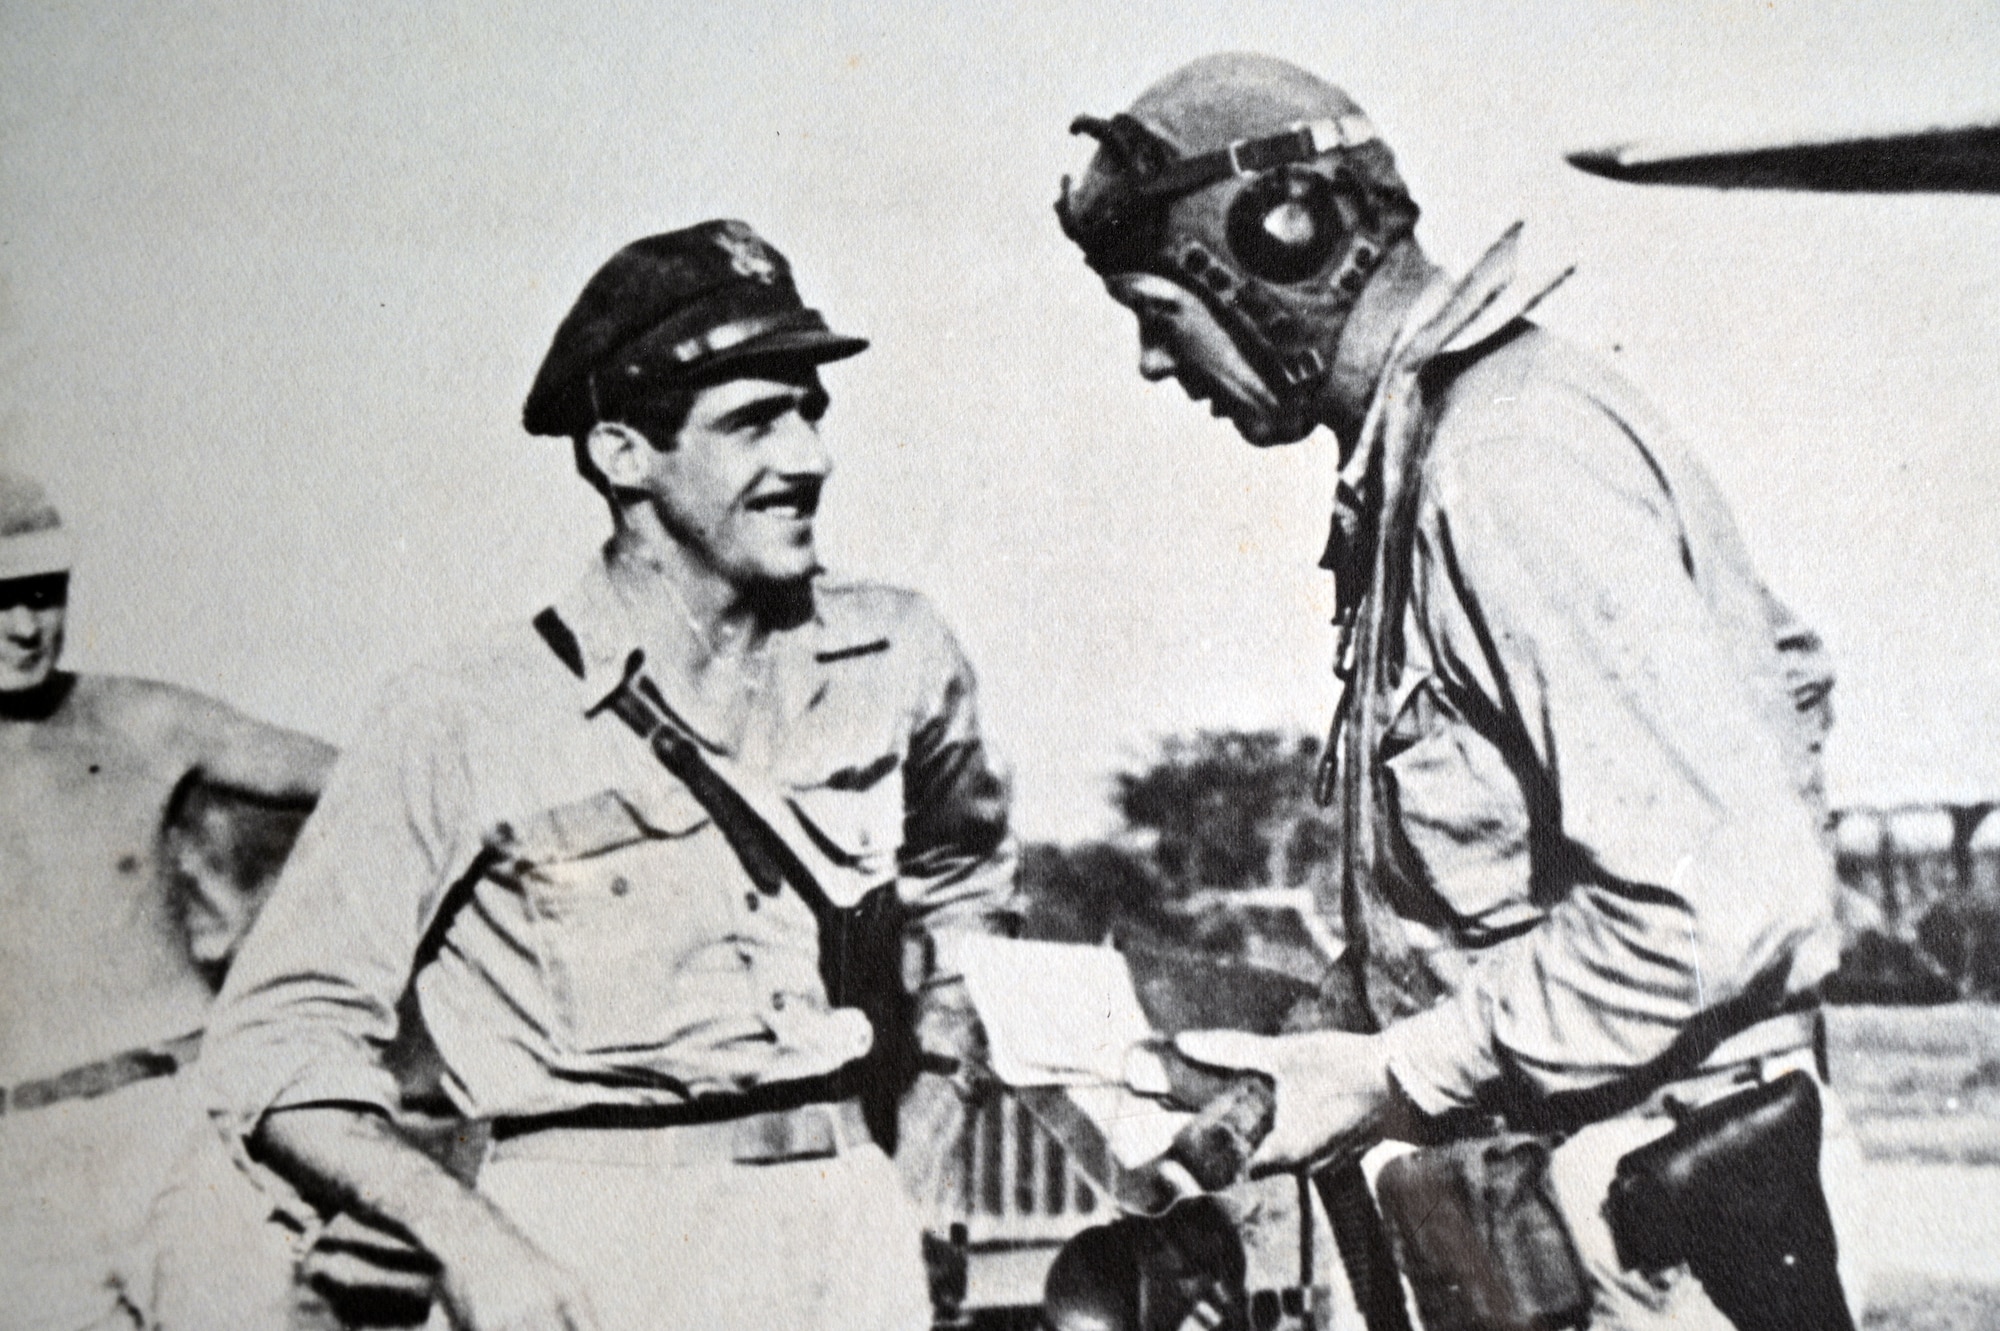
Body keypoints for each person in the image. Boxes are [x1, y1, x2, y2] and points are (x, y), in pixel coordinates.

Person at [1055, 54, 1862, 1329]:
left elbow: (1726, 901)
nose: (1157, 365)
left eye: (1157, 312)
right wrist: (1325, 1032)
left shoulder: (1505, 461)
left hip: (1645, 1223)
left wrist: (1391, 1067)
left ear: (1265, 255)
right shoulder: (1437, 455)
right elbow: (1783, 692)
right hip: (1560, 1206)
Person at [198, 219, 1018, 1331]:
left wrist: (921, 1156)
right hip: (594, 1251)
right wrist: (467, 1238)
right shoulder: (464, 713)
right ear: (623, 453)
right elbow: (278, 1037)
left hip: (852, 1228)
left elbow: (965, 894)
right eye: (753, 423)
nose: (809, 460)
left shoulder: (897, 657)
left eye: (810, 414)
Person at [0, 470, 335, 1331]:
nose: (27, 626)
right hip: (20, 1168)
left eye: (43, 595)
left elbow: (363, 784)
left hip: (177, 1125)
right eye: (0, 600)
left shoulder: (141, 722)